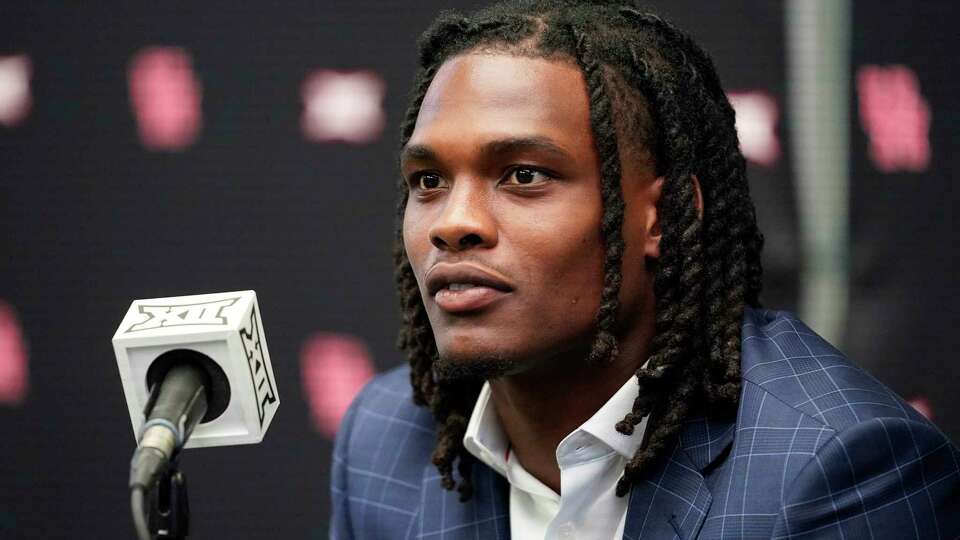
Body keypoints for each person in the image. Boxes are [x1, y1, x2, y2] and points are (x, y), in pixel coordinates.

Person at [330, 1, 960, 538]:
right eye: (429, 180)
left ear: (662, 217)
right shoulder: (382, 437)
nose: (452, 222)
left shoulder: (839, 469)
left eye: (524, 175)